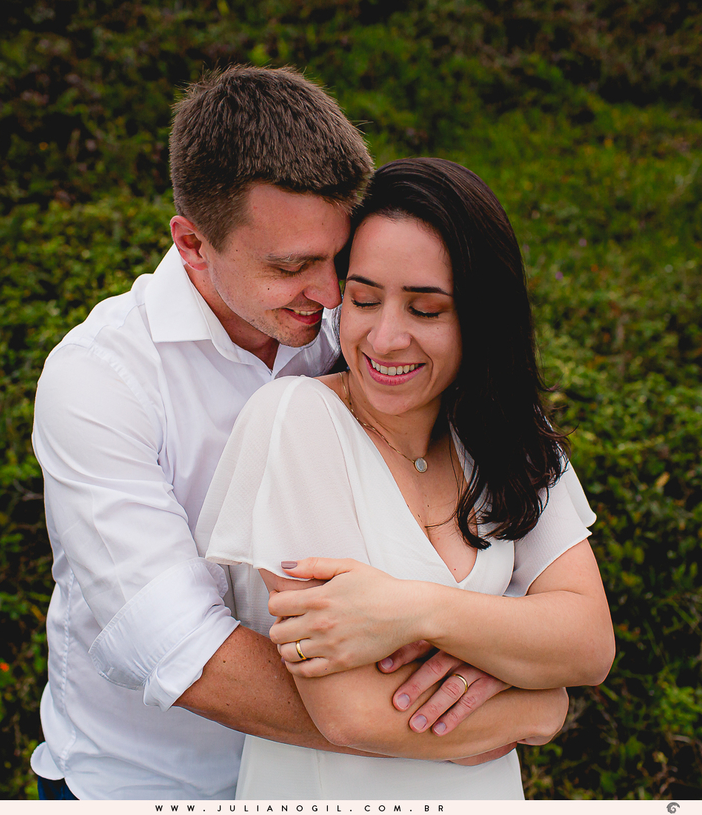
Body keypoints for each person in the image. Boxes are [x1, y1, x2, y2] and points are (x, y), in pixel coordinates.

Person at [28, 67, 522, 801]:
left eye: (338, 259)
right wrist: (491, 717)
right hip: (152, 785)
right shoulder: (100, 382)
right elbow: (183, 648)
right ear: (193, 244)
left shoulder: (359, 329)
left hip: (331, 785)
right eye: (291, 266)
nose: (328, 295)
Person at [198, 158, 615, 799]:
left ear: (481, 319)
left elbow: (588, 642)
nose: (386, 337)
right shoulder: (297, 420)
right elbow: (352, 712)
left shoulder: (507, 435)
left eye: (425, 310)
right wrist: (540, 706)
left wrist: (412, 610)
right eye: (363, 299)